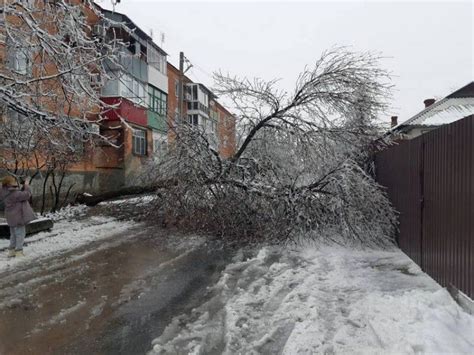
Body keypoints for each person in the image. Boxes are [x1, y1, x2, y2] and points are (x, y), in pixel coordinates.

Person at [0, 176, 36, 257]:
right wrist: (26, 185)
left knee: (13, 235)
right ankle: (19, 252)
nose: (15, 182)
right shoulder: (15, 194)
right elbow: (27, 195)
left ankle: (11, 251)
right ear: (9, 184)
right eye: (13, 181)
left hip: (10, 217)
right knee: (20, 235)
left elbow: (18, 193)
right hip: (18, 218)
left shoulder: (3, 191)